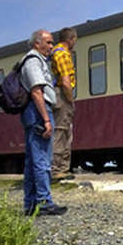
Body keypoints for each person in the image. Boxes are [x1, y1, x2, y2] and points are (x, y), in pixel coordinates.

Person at [19, 29, 67, 217]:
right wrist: (46, 119)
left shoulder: (37, 61)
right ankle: (44, 202)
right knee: (42, 160)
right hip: (38, 112)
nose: (51, 46)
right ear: (36, 43)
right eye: (48, 42)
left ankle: (31, 204)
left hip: (36, 112)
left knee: (33, 161)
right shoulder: (32, 61)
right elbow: (36, 91)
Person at [49, 26, 78, 179]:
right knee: (61, 131)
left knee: (65, 131)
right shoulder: (62, 54)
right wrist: (70, 100)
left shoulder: (57, 52)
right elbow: (66, 82)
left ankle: (62, 168)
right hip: (62, 95)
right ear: (70, 39)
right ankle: (56, 169)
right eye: (75, 40)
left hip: (59, 93)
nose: (75, 43)